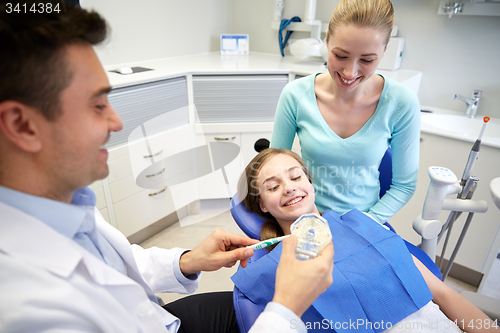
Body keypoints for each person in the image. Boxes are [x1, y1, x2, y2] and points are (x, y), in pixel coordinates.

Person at [0, 3, 333, 332]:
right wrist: (287, 306)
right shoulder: (26, 309)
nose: (116, 122)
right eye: (97, 105)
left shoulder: (65, 201)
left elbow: (115, 265)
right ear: (22, 126)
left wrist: (187, 261)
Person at [233, 148, 499, 332]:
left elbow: (441, 293)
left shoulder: (364, 223)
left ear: (309, 182)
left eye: (295, 176)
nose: (289, 187)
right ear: (263, 205)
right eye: (273, 186)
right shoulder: (275, 267)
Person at [270, 0, 420, 224]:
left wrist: (366, 223)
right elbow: (275, 167)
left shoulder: (400, 103)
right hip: (305, 216)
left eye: (367, 60)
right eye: (341, 56)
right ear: (327, 40)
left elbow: (404, 185)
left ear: (384, 50)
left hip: (366, 220)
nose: (350, 72)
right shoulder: (296, 95)